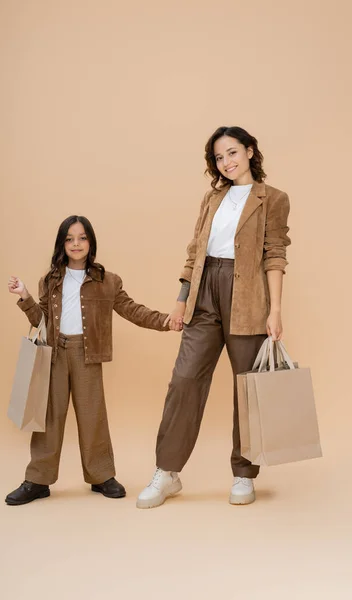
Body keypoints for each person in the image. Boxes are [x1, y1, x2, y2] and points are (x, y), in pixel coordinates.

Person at [137, 126, 291, 508]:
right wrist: (180, 300)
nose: (227, 162)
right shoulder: (211, 198)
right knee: (184, 380)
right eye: (219, 158)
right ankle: (167, 472)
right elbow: (195, 253)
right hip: (204, 293)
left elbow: (274, 254)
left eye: (233, 153)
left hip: (248, 298)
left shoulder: (273, 198)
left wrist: (274, 309)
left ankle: (244, 473)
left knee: (247, 388)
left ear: (251, 151)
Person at [6, 215, 170, 505]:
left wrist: (166, 321)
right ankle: (38, 480)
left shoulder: (107, 281)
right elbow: (41, 320)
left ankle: (101, 476)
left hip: (87, 354)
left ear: (91, 242)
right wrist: (25, 296)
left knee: (93, 415)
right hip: (55, 353)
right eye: (69, 239)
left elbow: (132, 310)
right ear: (62, 244)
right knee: (49, 418)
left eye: (81, 237)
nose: (76, 243)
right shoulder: (51, 280)